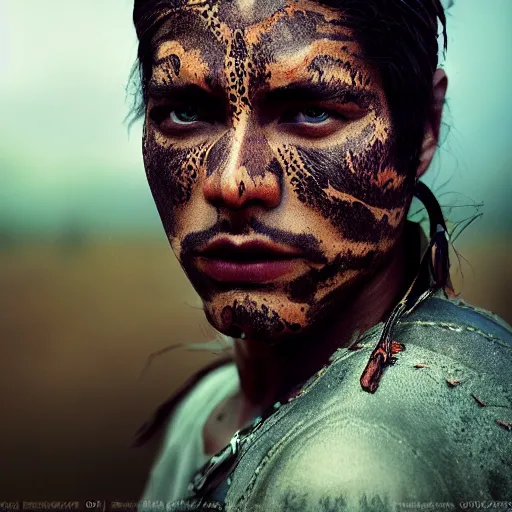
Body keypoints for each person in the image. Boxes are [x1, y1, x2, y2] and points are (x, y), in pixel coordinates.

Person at [128, 0, 512, 509]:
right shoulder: (209, 407)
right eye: (186, 112)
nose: (234, 181)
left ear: (423, 125)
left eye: (312, 112)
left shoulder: (351, 473)